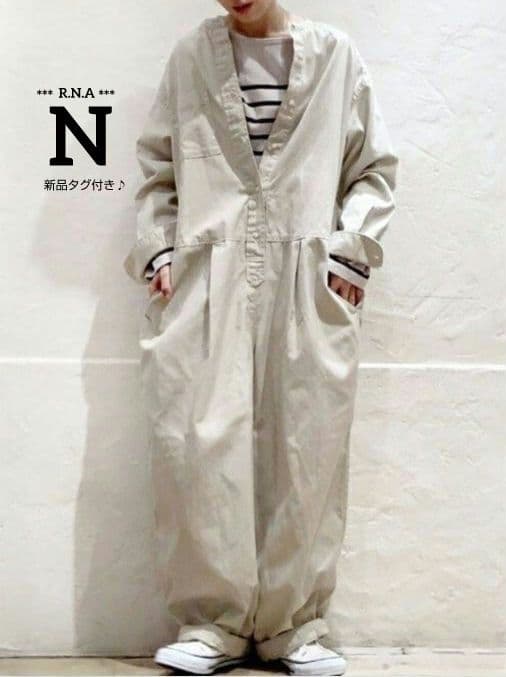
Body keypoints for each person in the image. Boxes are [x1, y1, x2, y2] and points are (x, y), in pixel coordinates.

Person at [123, 1, 398, 675]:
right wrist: (159, 252)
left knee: (308, 443)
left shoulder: (335, 59)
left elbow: (371, 168)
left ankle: (294, 624)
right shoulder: (191, 58)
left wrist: (351, 251)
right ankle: (212, 622)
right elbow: (158, 169)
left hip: (306, 276)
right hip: (205, 273)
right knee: (198, 446)